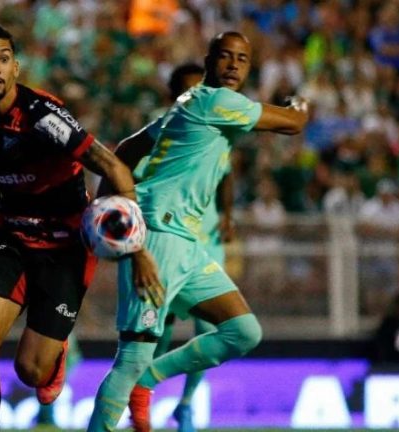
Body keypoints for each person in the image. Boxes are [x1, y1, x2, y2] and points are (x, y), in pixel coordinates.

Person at [0, 24, 161, 432]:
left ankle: (50, 361)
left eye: (3, 58)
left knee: (31, 372)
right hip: (12, 235)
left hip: (66, 244)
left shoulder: (43, 117)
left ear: (16, 67)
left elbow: (113, 167)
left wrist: (137, 246)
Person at [87, 31, 309, 431]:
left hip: (186, 241)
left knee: (243, 331)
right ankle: (136, 384)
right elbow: (293, 123)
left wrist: (108, 203)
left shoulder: (187, 103)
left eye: (242, 59)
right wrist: (301, 103)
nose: (233, 65)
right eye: (225, 56)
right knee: (131, 357)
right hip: (159, 234)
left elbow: (126, 149)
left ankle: (149, 381)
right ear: (208, 60)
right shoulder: (216, 101)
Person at [98, 62, 234, 432]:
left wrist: (227, 215)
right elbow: (126, 176)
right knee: (155, 336)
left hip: (206, 244)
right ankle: (142, 410)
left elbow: (225, 174)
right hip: (165, 242)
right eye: (186, 91)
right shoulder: (161, 132)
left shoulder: (218, 127)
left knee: (214, 330)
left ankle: (186, 405)